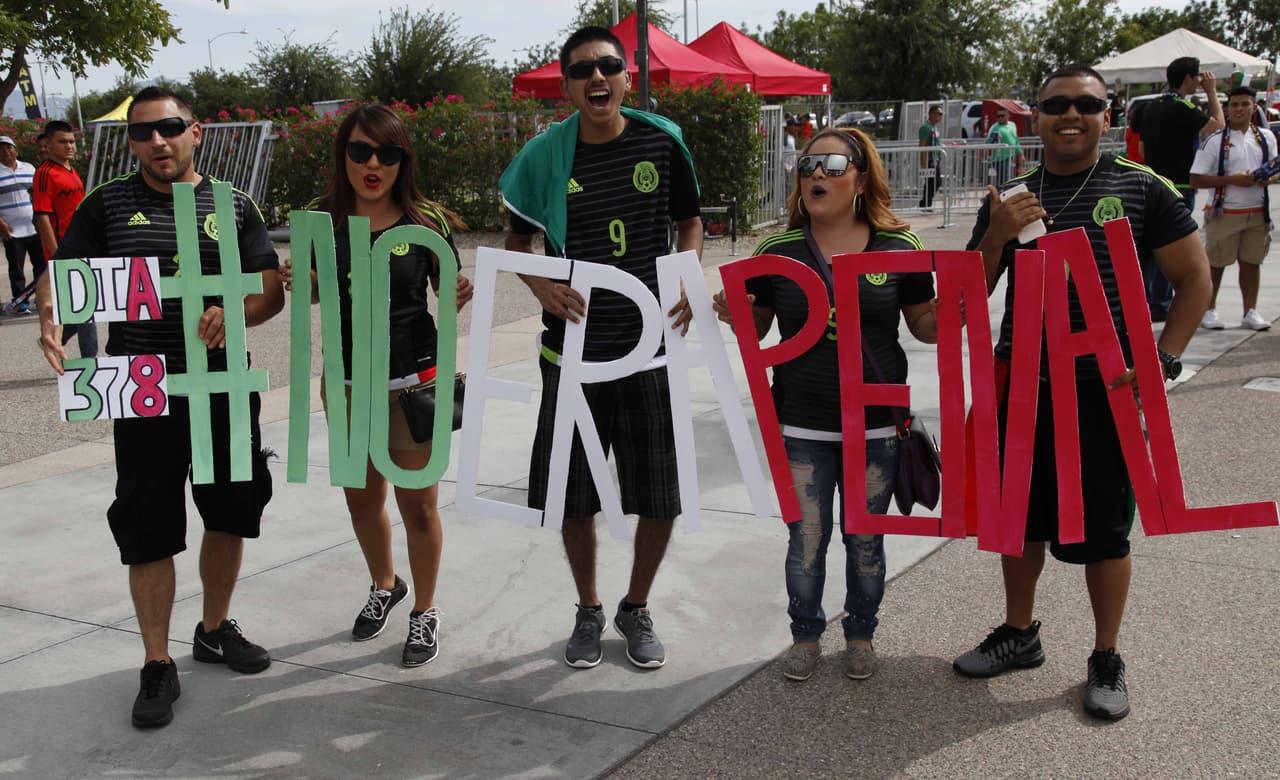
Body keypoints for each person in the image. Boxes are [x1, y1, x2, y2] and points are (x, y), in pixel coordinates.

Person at [956, 64, 1211, 722]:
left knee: (1106, 533)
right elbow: (965, 298)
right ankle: (1020, 632)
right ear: (1034, 118)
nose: (1070, 114)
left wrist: (1162, 362)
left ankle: (1105, 654)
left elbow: (1195, 280)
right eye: (1055, 104)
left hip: (1106, 391)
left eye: (1086, 104)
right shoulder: (1008, 196)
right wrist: (993, 236)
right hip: (1023, 385)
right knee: (1017, 523)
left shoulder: (1140, 187)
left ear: (1108, 115)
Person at [34, 87, 284, 729]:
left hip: (223, 388)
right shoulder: (106, 204)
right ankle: (156, 663)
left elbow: (268, 291)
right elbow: (65, 274)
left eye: (170, 128)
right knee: (148, 525)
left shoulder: (231, 204)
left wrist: (238, 312)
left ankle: (213, 627)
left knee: (230, 513)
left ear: (195, 131)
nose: (158, 142)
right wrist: (50, 316)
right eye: (143, 134)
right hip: (142, 388)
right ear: (131, 143)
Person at [500, 25, 702, 670]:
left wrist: (688, 280)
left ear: (626, 76)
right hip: (574, 356)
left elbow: (690, 221)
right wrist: (541, 289)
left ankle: (634, 605)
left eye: (609, 66)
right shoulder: (544, 158)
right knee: (573, 494)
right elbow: (514, 247)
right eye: (583, 69)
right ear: (567, 84)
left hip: (649, 351)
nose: (597, 78)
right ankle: (588, 608)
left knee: (660, 493)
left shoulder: (661, 143)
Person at [712, 127, 938, 683]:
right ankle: (805, 636)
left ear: (861, 179)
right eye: (808, 164)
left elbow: (926, 327)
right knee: (806, 538)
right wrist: (731, 308)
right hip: (802, 423)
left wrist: (964, 300)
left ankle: (860, 632)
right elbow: (761, 325)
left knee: (866, 539)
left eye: (833, 164)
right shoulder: (777, 251)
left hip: (878, 427)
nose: (817, 174)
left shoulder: (898, 247)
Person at [281, 104, 474, 667]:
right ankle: (385, 584)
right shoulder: (322, 219)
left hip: (413, 383)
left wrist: (459, 290)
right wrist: (304, 279)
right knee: (362, 505)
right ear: (342, 156)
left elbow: (447, 286)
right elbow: (320, 291)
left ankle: (426, 611)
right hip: (343, 384)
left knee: (420, 508)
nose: (372, 164)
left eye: (386, 153)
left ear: (402, 161)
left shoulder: (426, 221)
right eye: (360, 151)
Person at [1134, 57, 1224, 321]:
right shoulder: (1183, 107)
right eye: (1197, 78)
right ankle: (1160, 304)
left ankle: (1145, 301)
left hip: (1150, 183)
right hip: (1178, 185)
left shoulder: (1150, 107)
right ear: (1188, 78)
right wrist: (1211, 92)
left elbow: (1141, 149)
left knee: (1148, 247)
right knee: (1170, 245)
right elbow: (1217, 127)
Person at [1191, 86, 1277, 331]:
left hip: (1258, 211)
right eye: (1235, 104)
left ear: (1254, 107)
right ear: (1227, 109)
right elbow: (1196, 179)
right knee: (1216, 263)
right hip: (1224, 212)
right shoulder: (1215, 141)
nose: (1239, 109)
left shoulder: (1265, 137)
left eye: (1245, 104)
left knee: (1252, 262)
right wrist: (1232, 180)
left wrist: (1267, 178)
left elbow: (1273, 167)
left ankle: (1250, 311)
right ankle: (1209, 310)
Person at [32, 119, 96, 356]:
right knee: (84, 306)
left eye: (71, 142)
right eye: (62, 142)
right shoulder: (44, 174)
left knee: (83, 303)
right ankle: (89, 360)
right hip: (65, 251)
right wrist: (58, 256)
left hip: (82, 246)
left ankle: (57, 339)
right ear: (48, 145)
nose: (69, 146)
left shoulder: (71, 170)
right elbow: (42, 217)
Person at [0, 135, 40, 313]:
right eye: (1, 149)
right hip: (12, 230)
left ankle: (42, 297)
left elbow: (38, 195)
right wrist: (1, 224)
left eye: (9, 147)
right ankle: (20, 302)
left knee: (41, 265)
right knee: (16, 268)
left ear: (16, 150)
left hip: (34, 227)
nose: (6, 151)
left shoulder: (29, 168)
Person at [985, 108, 1021, 186]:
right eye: (998, 116)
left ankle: (1003, 194)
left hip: (1011, 157)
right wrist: (994, 139)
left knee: (1008, 179)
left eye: (1002, 116)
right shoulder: (994, 127)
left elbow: (1016, 139)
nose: (1000, 118)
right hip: (999, 158)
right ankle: (1001, 195)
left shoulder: (1013, 125)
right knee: (1003, 180)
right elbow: (987, 141)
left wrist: (1021, 153)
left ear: (1008, 116)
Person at [918, 105, 943, 210]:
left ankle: (925, 203)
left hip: (935, 159)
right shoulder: (925, 128)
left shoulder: (934, 127)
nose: (941, 116)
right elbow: (922, 146)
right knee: (930, 182)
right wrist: (923, 163)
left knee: (936, 182)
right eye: (939, 114)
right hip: (929, 160)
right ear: (932, 114)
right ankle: (925, 204)